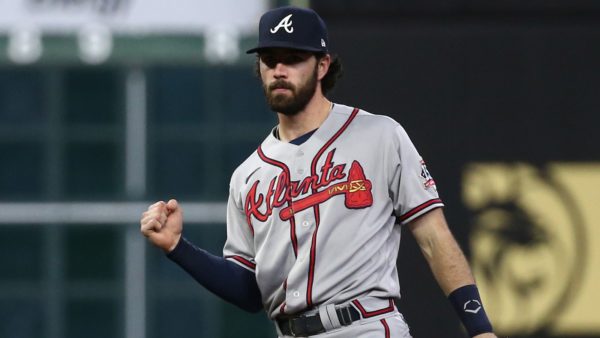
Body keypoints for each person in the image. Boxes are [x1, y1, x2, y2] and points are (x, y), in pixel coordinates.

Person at [140, 6, 497, 338]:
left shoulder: (379, 135)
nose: (279, 70)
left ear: (322, 65)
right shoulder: (247, 177)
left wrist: (479, 327)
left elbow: (433, 237)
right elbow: (249, 292)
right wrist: (177, 247)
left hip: (366, 325)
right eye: (270, 59)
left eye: (293, 59)